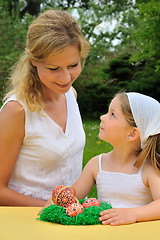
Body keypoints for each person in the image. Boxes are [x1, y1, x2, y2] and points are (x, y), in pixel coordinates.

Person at [0, 9, 90, 206]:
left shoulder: (71, 95)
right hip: (29, 224)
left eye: (73, 65)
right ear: (34, 61)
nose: (66, 78)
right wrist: (53, 208)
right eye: (54, 68)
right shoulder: (16, 111)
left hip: (71, 221)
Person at [44, 91, 160, 225]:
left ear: (132, 133)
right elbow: (72, 197)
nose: (102, 117)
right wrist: (54, 202)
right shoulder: (97, 164)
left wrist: (134, 214)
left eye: (112, 115)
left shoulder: (148, 168)